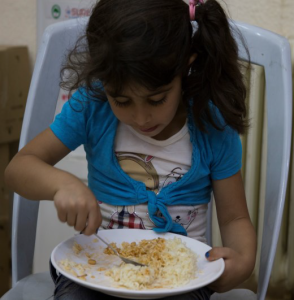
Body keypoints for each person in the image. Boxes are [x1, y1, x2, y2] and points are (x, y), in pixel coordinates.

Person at [5, 0, 257, 299]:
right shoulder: (92, 107)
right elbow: (19, 168)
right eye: (122, 101)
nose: (141, 118)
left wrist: (242, 260)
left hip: (181, 279)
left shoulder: (210, 124)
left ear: (185, 68)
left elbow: (234, 218)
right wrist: (63, 184)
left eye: (156, 99)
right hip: (99, 269)